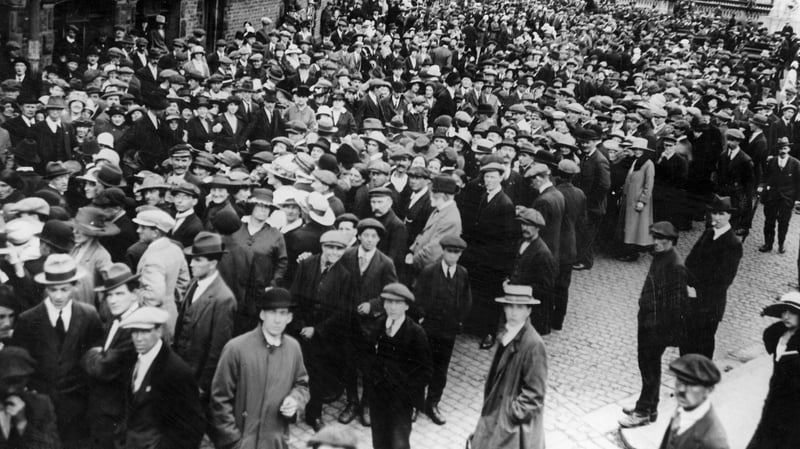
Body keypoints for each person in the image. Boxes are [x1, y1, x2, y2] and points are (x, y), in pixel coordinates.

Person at [11, 254, 103, 449]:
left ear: (75, 286)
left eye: (64, 289)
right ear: (46, 288)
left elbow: (94, 365)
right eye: (53, 290)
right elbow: (17, 365)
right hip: (39, 412)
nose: (59, 296)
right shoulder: (28, 320)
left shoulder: (89, 316)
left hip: (77, 413)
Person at [210, 287, 310, 449]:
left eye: (283, 313)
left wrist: (295, 400)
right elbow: (219, 399)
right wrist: (233, 440)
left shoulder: (293, 348)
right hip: (242, 442)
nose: (277, 320)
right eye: (272, 312)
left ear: (290, 318)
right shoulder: (236, 348)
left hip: (275, 442)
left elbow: (302, 385)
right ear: (262, 314)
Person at [620, 222, 691, 428]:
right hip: (648, 323)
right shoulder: (660, 257)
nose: (657, 242)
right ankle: (649, 407)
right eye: (656, 238)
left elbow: (677, 305)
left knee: (650, 367)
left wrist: (661, 330)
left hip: (657, 327)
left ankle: (642, 412)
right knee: (648, 366)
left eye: (663, 240)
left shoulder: (675, 265)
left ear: (672, 242)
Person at [290, 230, 356, 431]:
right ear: (322, 247)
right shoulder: (306, 265)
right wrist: (300, 325)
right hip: (299, 331)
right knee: (293, 371)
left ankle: (314, 414)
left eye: (339, 248)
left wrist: (317, 330)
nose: (334, 252)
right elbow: (294, 297)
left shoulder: (346, 276)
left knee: (317, 375)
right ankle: (290, 410)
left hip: (322, 335)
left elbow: (343, 311)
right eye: (330, 247)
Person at [470, 283, 547, 449]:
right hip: (495, 416)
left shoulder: (534, 344)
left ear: (528, 310)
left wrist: (510, 415)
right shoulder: (507, 333)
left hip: (512, 429)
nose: (513, 312)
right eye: (509, 306)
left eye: (519, 307)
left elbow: (535, 395)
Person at [338, 218, 398, 426]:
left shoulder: (385, 263)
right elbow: (340, 284)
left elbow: (391, 293)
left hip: (372, 325)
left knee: (370, 366)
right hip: (348, 321)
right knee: (348, 364)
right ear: (359, 236)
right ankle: (352, 402)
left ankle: (366, 405)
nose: (369, 240)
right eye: (366, 235)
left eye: (374, 236)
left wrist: (373, 305)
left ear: (379, 239)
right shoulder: (347, 256)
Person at [119, 306, 204, 449]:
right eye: (134, 331)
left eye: (145, 331)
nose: (138, 338)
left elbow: (191, 428)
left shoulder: (176, 370)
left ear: (159, 331)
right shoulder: (133, 359)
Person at [174, 232, 236, 407]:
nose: (191, 263)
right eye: (192, 259)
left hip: (197, 378)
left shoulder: (224, 299)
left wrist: (203, 385)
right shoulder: (195, 282)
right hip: (181, 368)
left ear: (213, 264)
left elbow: (217, 349)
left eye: (198, 260)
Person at [414, 234, 472, 425]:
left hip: (448, 331)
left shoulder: (462, 273)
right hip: (429, 328)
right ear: (443, 251)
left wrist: (459, 321)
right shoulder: (430, 271)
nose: (452, 256)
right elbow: (418, 295)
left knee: (441, 369)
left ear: (461, 255)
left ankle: (432, 403)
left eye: (456, 253)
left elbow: (466, 300)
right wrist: (421, 316)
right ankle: (415, 403)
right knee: (422, 364)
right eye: (449, 251)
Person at [82, 263, 141, 449]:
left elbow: (103, 368)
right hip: (104, 411)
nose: (113, 300)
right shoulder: (116, 318)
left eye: (119, 294)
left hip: (119, 415)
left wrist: (93, 354)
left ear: (134, 294)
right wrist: (97, 353)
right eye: (109, 295)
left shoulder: (137, 327)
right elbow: (97, 348)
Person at [369, 283, 432, 449]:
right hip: (379, 399)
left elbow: (425, 371)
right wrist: (373, 382)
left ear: (406, 306)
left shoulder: (416, 333)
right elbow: (366, 356)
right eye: (388, 302)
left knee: (399, 442)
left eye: (397, 303)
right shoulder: (378, 325)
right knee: (379, 440)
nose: (392, 307)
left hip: (401, 403)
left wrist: (407, 393)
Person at [684, 195, 743, 358]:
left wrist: (698, 292)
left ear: (729, 215)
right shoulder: (708, 233)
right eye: (714, 213)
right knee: (687, 339)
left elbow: (724, 280)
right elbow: (690, 260)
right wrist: (687, 284)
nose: (716, 217)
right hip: (692, 298)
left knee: (703, 342)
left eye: (721, 214)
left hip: (710, 303)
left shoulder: (733, 243)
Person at [746, 291, 800, 449]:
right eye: (784, 311)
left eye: (792, 312)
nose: (786, 316)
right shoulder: (777, 335)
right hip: (773, 403)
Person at [133, 208, 191, 337]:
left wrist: (136, 296)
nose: (138, 230)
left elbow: (154, 296)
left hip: (153, 322)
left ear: (155, 232)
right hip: (171, 316)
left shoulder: (152, 258)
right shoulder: (175, 249)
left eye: (143, 227)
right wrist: (169, 300)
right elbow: (184, 283)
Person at [659, 354, 729, 449]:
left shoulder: (714, 441)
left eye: (692, 384)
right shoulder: (683, 408)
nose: (681, 389)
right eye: (680, 381)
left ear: (709, 389)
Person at [0, 346, 61, 448]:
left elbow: (53, 446)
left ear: (27, 378)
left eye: (17, 382)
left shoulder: (41, 405)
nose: (11, 389)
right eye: (6, 382)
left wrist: (22, 423)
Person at [509, 208, 557, 335]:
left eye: (529, 225)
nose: (525, 228)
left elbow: (545, 288)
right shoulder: (521, 243)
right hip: (518, 305)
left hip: (533, 311)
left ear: (538, 228)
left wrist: (518, 288)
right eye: (523, 224)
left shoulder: (543, 253)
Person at [758, 136, 800, 253]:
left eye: (785, 148)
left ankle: (781, 244)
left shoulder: (796, 164)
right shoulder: (771, 161)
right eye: (781, 148)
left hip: (787, 198)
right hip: (772, 197)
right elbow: (765, 177)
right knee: (769, 221)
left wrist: (797, 199)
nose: (783, 151)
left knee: (783, 222)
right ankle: (768, 244)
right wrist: (762, 188)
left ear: (789, 149)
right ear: (778, 150)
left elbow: (799, 183)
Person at [616, 137, 655, 262]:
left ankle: (632, 253)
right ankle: (628, 251)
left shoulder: (648, 164)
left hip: (637, 201)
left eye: (640, 149)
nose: (638, 151)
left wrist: (642, 201)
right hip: (629, 199)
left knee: (635, 228)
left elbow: (649, 185)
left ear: (645, 151)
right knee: (629, 226)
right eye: (636, 149)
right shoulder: (636, 162)